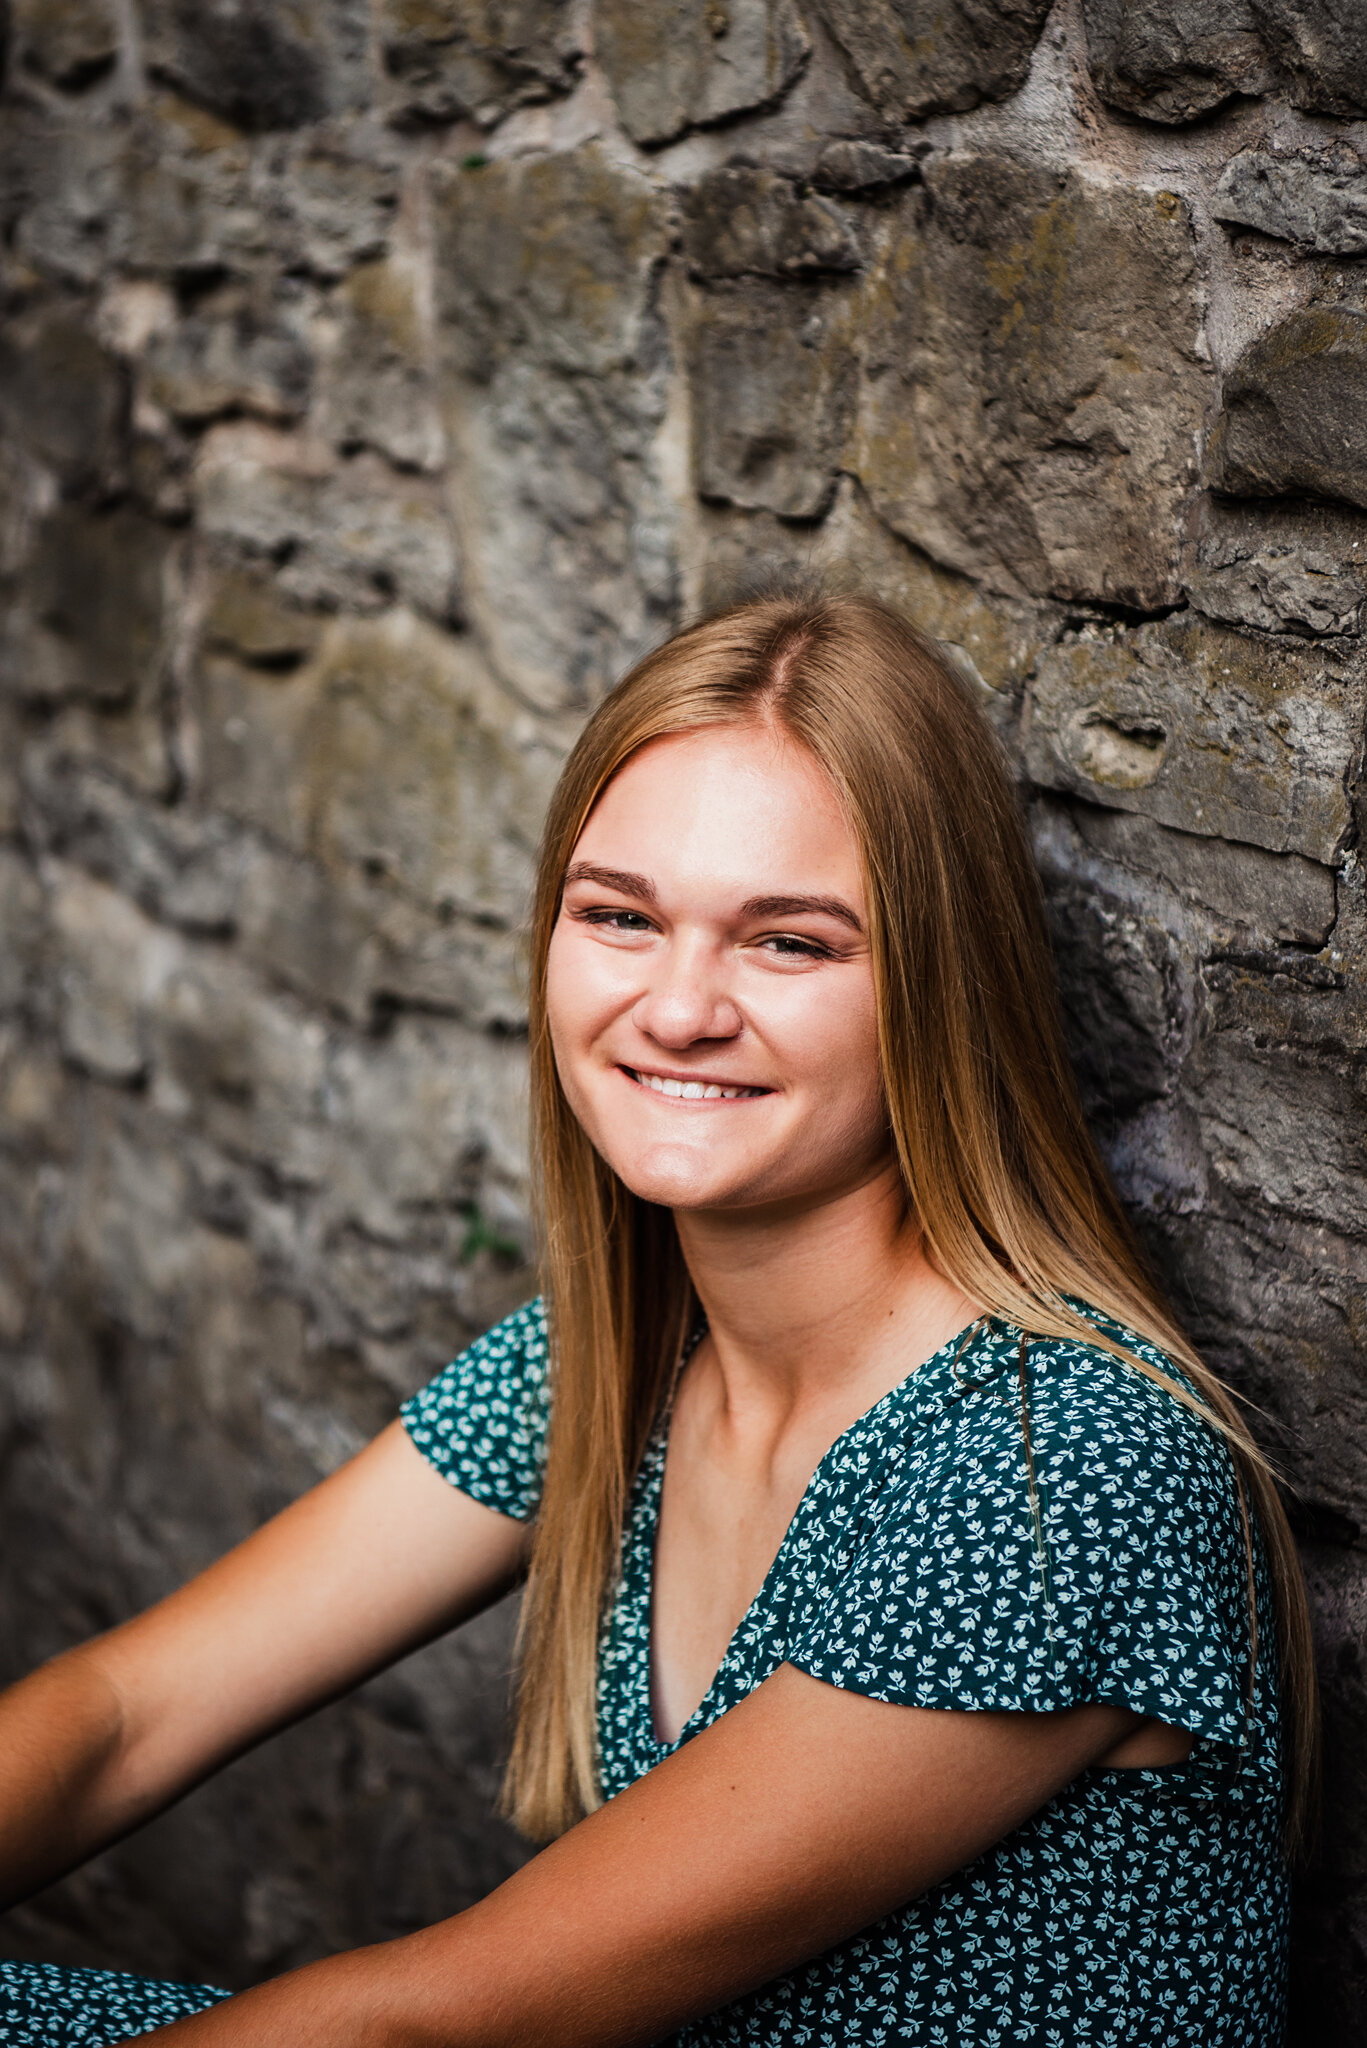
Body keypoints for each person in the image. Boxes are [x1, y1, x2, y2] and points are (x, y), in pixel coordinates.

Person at [0, 594, 1314, 2047]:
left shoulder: (1061, 1469)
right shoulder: (618, 1361)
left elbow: (424, 2026)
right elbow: (127, 1710)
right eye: (620, 916)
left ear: (939, 989)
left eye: (791, 944)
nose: (677, 1008)